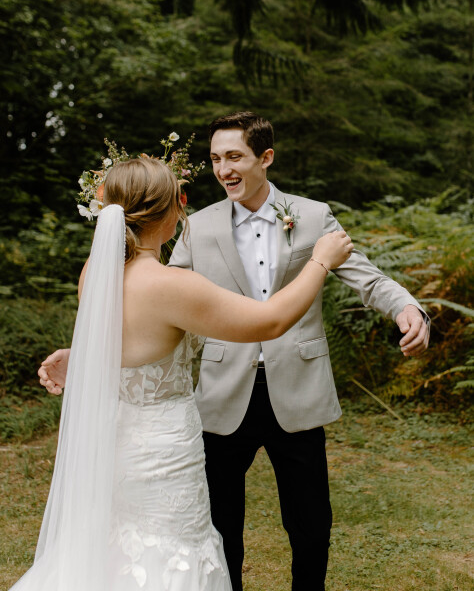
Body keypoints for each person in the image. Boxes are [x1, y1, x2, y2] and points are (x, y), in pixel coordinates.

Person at [39, 112, 429, 591]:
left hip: (297, 388)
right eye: (215, 159)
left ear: (265, 157)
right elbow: (149, 303)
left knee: (311, 523)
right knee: (219, 523)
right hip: (222, 394)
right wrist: (90, 350)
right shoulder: (197, 227)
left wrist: (406, 306)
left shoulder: (312, 215)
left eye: (233, 157)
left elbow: (365, 275)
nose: (223, 169)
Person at [16, 154, 352, 591]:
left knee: (118, 547)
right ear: (169, 211)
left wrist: (78, 355)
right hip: (164, 451)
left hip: (116, 444)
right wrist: (321, 261)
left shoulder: (95, 273)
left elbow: (124, 341)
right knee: (171, 553)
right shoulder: (170, 285)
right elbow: (269, 322)